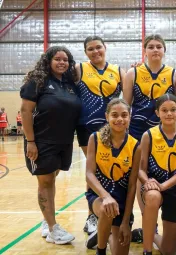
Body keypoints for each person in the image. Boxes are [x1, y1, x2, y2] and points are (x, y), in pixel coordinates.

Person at [20, 46, 81, 244]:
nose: (62, 62)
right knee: (45, 182)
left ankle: (47, 221)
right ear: (48, 60)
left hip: (63, 141)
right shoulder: (37, 81)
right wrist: (31, 141)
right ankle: (54, 228)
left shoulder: (69, 84)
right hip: (41, 141)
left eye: (66, 60)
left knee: (51, 179)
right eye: (57, 59)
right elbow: (26, 111)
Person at [75, 36, 125, 235]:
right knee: (94, 170)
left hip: (113, 128)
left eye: (98, 48)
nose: (95, 52)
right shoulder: (78, 69)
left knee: (114, 169)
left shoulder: (119, 70)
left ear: (105, 48)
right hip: (87, 127)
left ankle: (116, 211)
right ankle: (92, 216)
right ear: (85, 52)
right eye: (90, 49)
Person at [139, 94, 176, 255]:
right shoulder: (148, 135)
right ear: (157, 113)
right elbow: (141, 169)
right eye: (164, 110)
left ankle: (149, 233)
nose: (169, 113)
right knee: (153, 196)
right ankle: (146, 250)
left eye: (173, 110)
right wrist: (148, 181)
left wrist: (164, 186)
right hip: (153, 187)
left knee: (169, 251)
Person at [85, 98, 140, 255]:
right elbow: (89, 174)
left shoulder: (135, 145)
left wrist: (126, 221)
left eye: (124, 115)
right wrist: (106, 196)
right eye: (115, 115)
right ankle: (100, 251)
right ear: (107, 116)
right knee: (106, 209)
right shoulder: (95, 139)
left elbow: (131, 186)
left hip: (122, 204)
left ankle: (104, 233)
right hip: (99, 198)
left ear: (130, 117)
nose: (119, 119)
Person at [123, 34, 176, 141]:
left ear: (164, 50)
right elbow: (126, 105)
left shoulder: (175, 75)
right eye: (151, 47)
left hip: (165, 129)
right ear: (144, 51)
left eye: (159, 47)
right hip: (137, 129)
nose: (155, 50)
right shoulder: (132, 73)